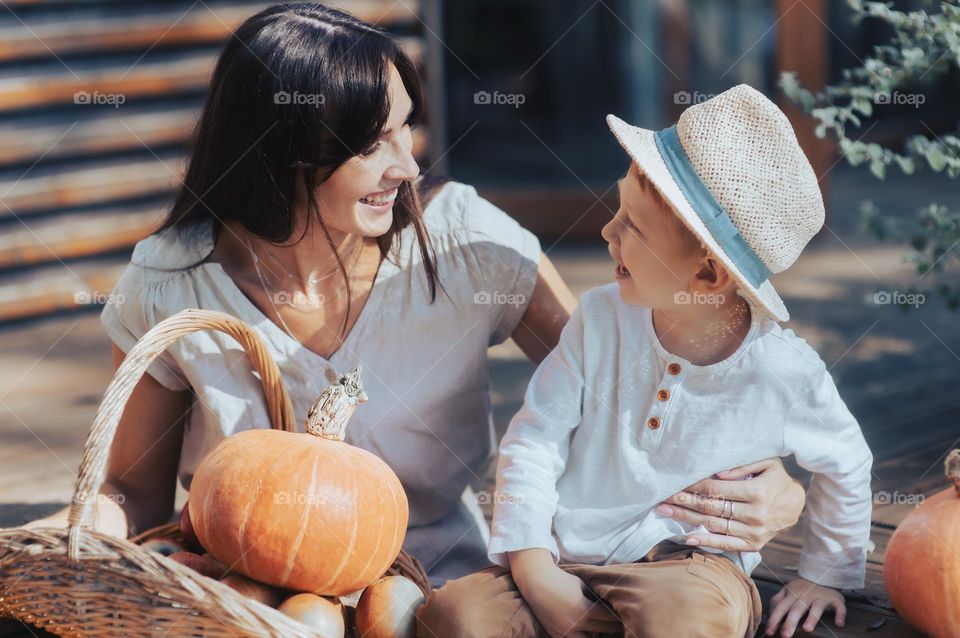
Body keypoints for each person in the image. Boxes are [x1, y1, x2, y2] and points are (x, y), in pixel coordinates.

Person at [16, 6, 806, 589]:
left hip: (448, 591)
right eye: (372, 144)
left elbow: (625, 392)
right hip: (254, 600)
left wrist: (775, 483)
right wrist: (43, 538)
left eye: (406, 130)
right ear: (278, 149)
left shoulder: (467, 242)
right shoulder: (169, 280)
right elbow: (130, 492)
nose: (406, 164)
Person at [416, 85, 873, 638]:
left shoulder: (783, 370)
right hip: (566, 555)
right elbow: (535, 436)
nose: (608, 231)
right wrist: (532, 563)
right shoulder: (600, 318)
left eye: (633, 225)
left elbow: (846, 461)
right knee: (454, 616)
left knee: (683, 623)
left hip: (689, 565)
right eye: (618, 211)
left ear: (707, 275)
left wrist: (825, 574)